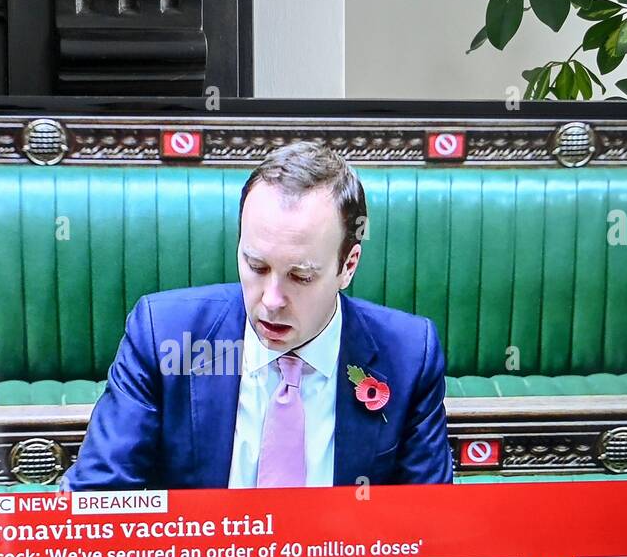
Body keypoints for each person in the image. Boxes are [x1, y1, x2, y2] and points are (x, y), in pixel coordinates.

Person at [62, 141, 452, 491]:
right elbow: (96, 505)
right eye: (256, 266)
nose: (272, 299)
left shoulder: (409, 355)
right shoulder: (163, 334)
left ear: (348, 266)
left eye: (300, 276)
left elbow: (430, 523)